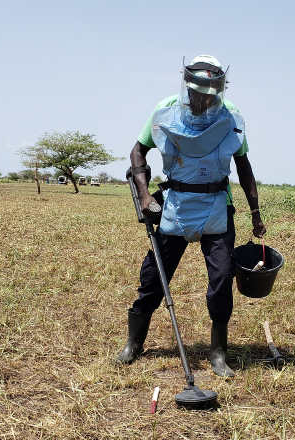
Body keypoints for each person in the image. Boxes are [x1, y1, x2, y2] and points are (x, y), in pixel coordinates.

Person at [115, 55, 266, 378]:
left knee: (223, 277)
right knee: (154, 275)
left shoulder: (231, 117)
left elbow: (244, 165)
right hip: (176, 204)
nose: (204, 100)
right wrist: (144, 195)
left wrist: (255, 213)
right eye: (199, 93)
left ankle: (218, 353)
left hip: (216, 204)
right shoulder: (165, 110)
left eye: (212, 94)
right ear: (187, 87)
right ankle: (134, 342)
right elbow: (137, 151)